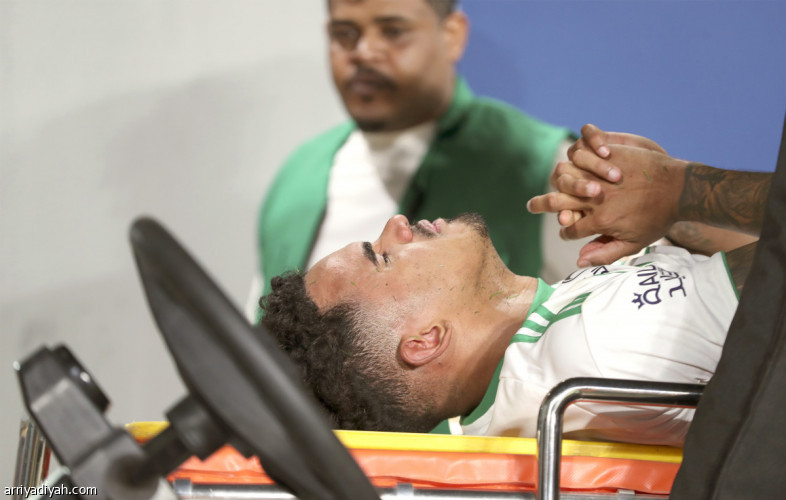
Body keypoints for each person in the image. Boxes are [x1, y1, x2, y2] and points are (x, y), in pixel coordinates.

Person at [258, 137, 770, 446]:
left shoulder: (541, 351)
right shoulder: (597, 347)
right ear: (425, 340)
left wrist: (668, 209)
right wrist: (681, 188)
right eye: (382, 256)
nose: (396, 225)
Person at [247, 0, 578, 322]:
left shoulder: (537, 165)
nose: (364, 52)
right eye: (345, 33)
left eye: (393, 31)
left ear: (452, 35)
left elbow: (593, 325)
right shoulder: (300, 171)